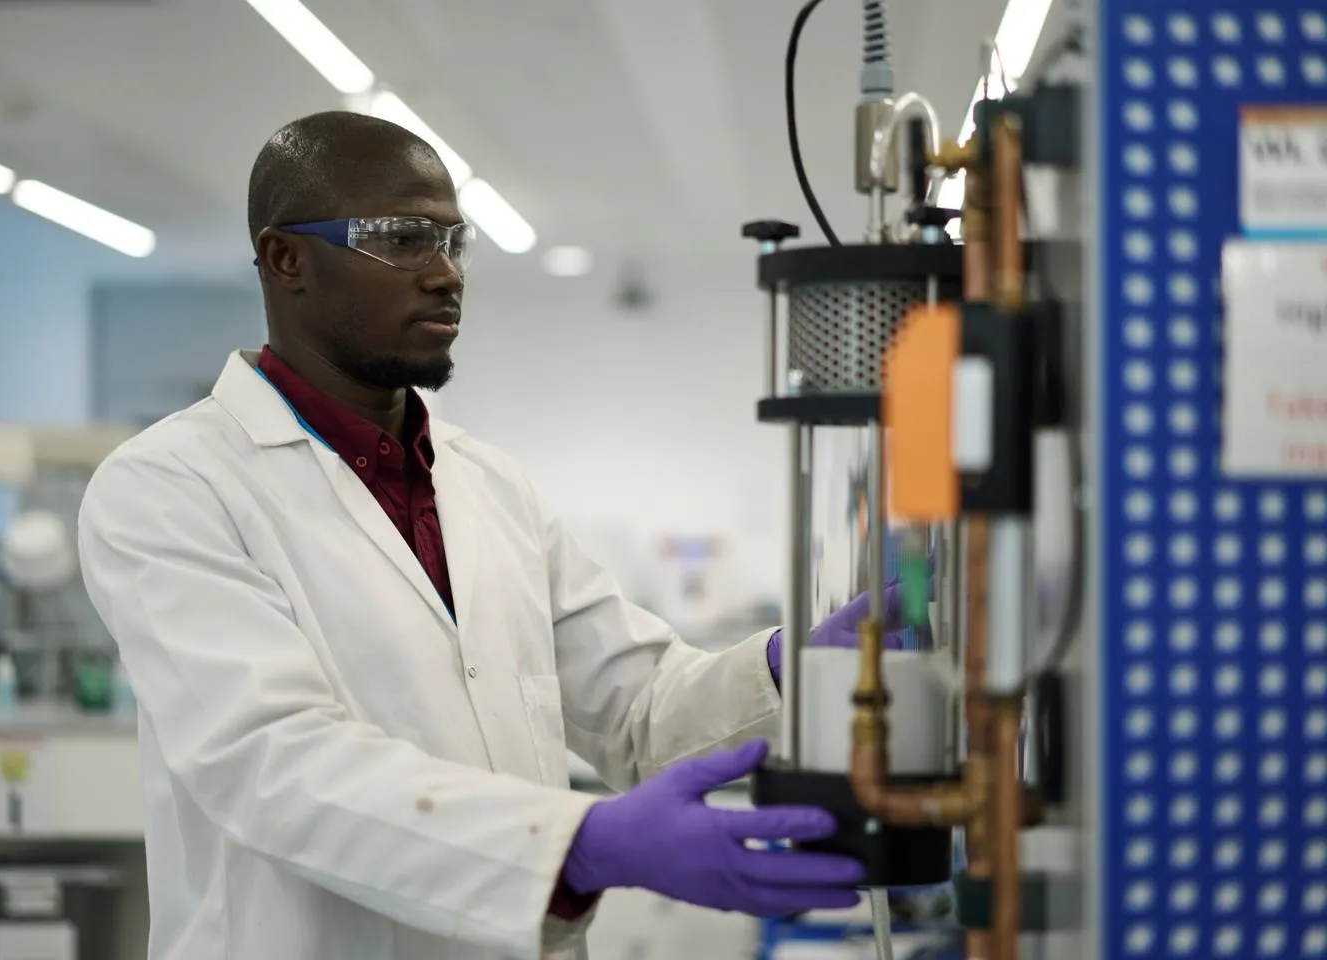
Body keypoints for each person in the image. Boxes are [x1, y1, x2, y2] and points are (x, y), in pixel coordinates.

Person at [77, 111, 909, 960]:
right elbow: (274, 764)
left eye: (453, 241)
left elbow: (640, 709)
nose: (445, 275)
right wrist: (576, 847)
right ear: (286, 257)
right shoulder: (170, 486)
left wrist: (794, 669)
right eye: (401, 238)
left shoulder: (488, 484)